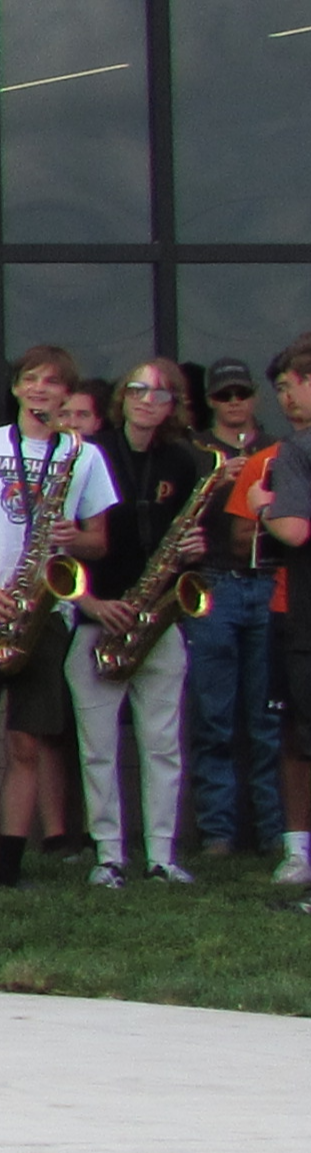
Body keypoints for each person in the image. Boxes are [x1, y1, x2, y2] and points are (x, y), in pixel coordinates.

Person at [0, 345, 114, 889]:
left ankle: (9, 870)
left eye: (53, 383)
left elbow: (99, 541)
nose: (40, 390)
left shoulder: (83, 456)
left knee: (28, 744)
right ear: (16, 389)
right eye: (31, 380)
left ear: (66, 395)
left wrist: (75, 539)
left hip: (42, 613)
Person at [68, 358, 209, 889]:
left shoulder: (184, 460)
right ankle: (107, 854)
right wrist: (92, 605)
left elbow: (188, 541)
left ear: (174, 404)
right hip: (98, 616)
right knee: (98, 746)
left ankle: (161, 856)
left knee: (163, 743)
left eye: (161, 393)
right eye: (138, 390)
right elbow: (66, 545)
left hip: (158, 616)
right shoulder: (91, 454)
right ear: (122, 398)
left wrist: (196, 549)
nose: (148, 400)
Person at [185, 357, 287, 861]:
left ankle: (273, 833)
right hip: (215, 583)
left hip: (268, 582)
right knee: (214, 717)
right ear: (210, 400)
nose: (233, 402)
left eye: (241, 393)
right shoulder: (194, 451)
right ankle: (218, 834)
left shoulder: (279, 449)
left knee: (268, 719)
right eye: (224, 395)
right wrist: (220, 482)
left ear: (253, 397)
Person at [267, 338, 311, 888]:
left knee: (301, 734)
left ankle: (300, 852)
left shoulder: (297, 450)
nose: (285, 400)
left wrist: (263, 508)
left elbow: (296, 530)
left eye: (290, 387)